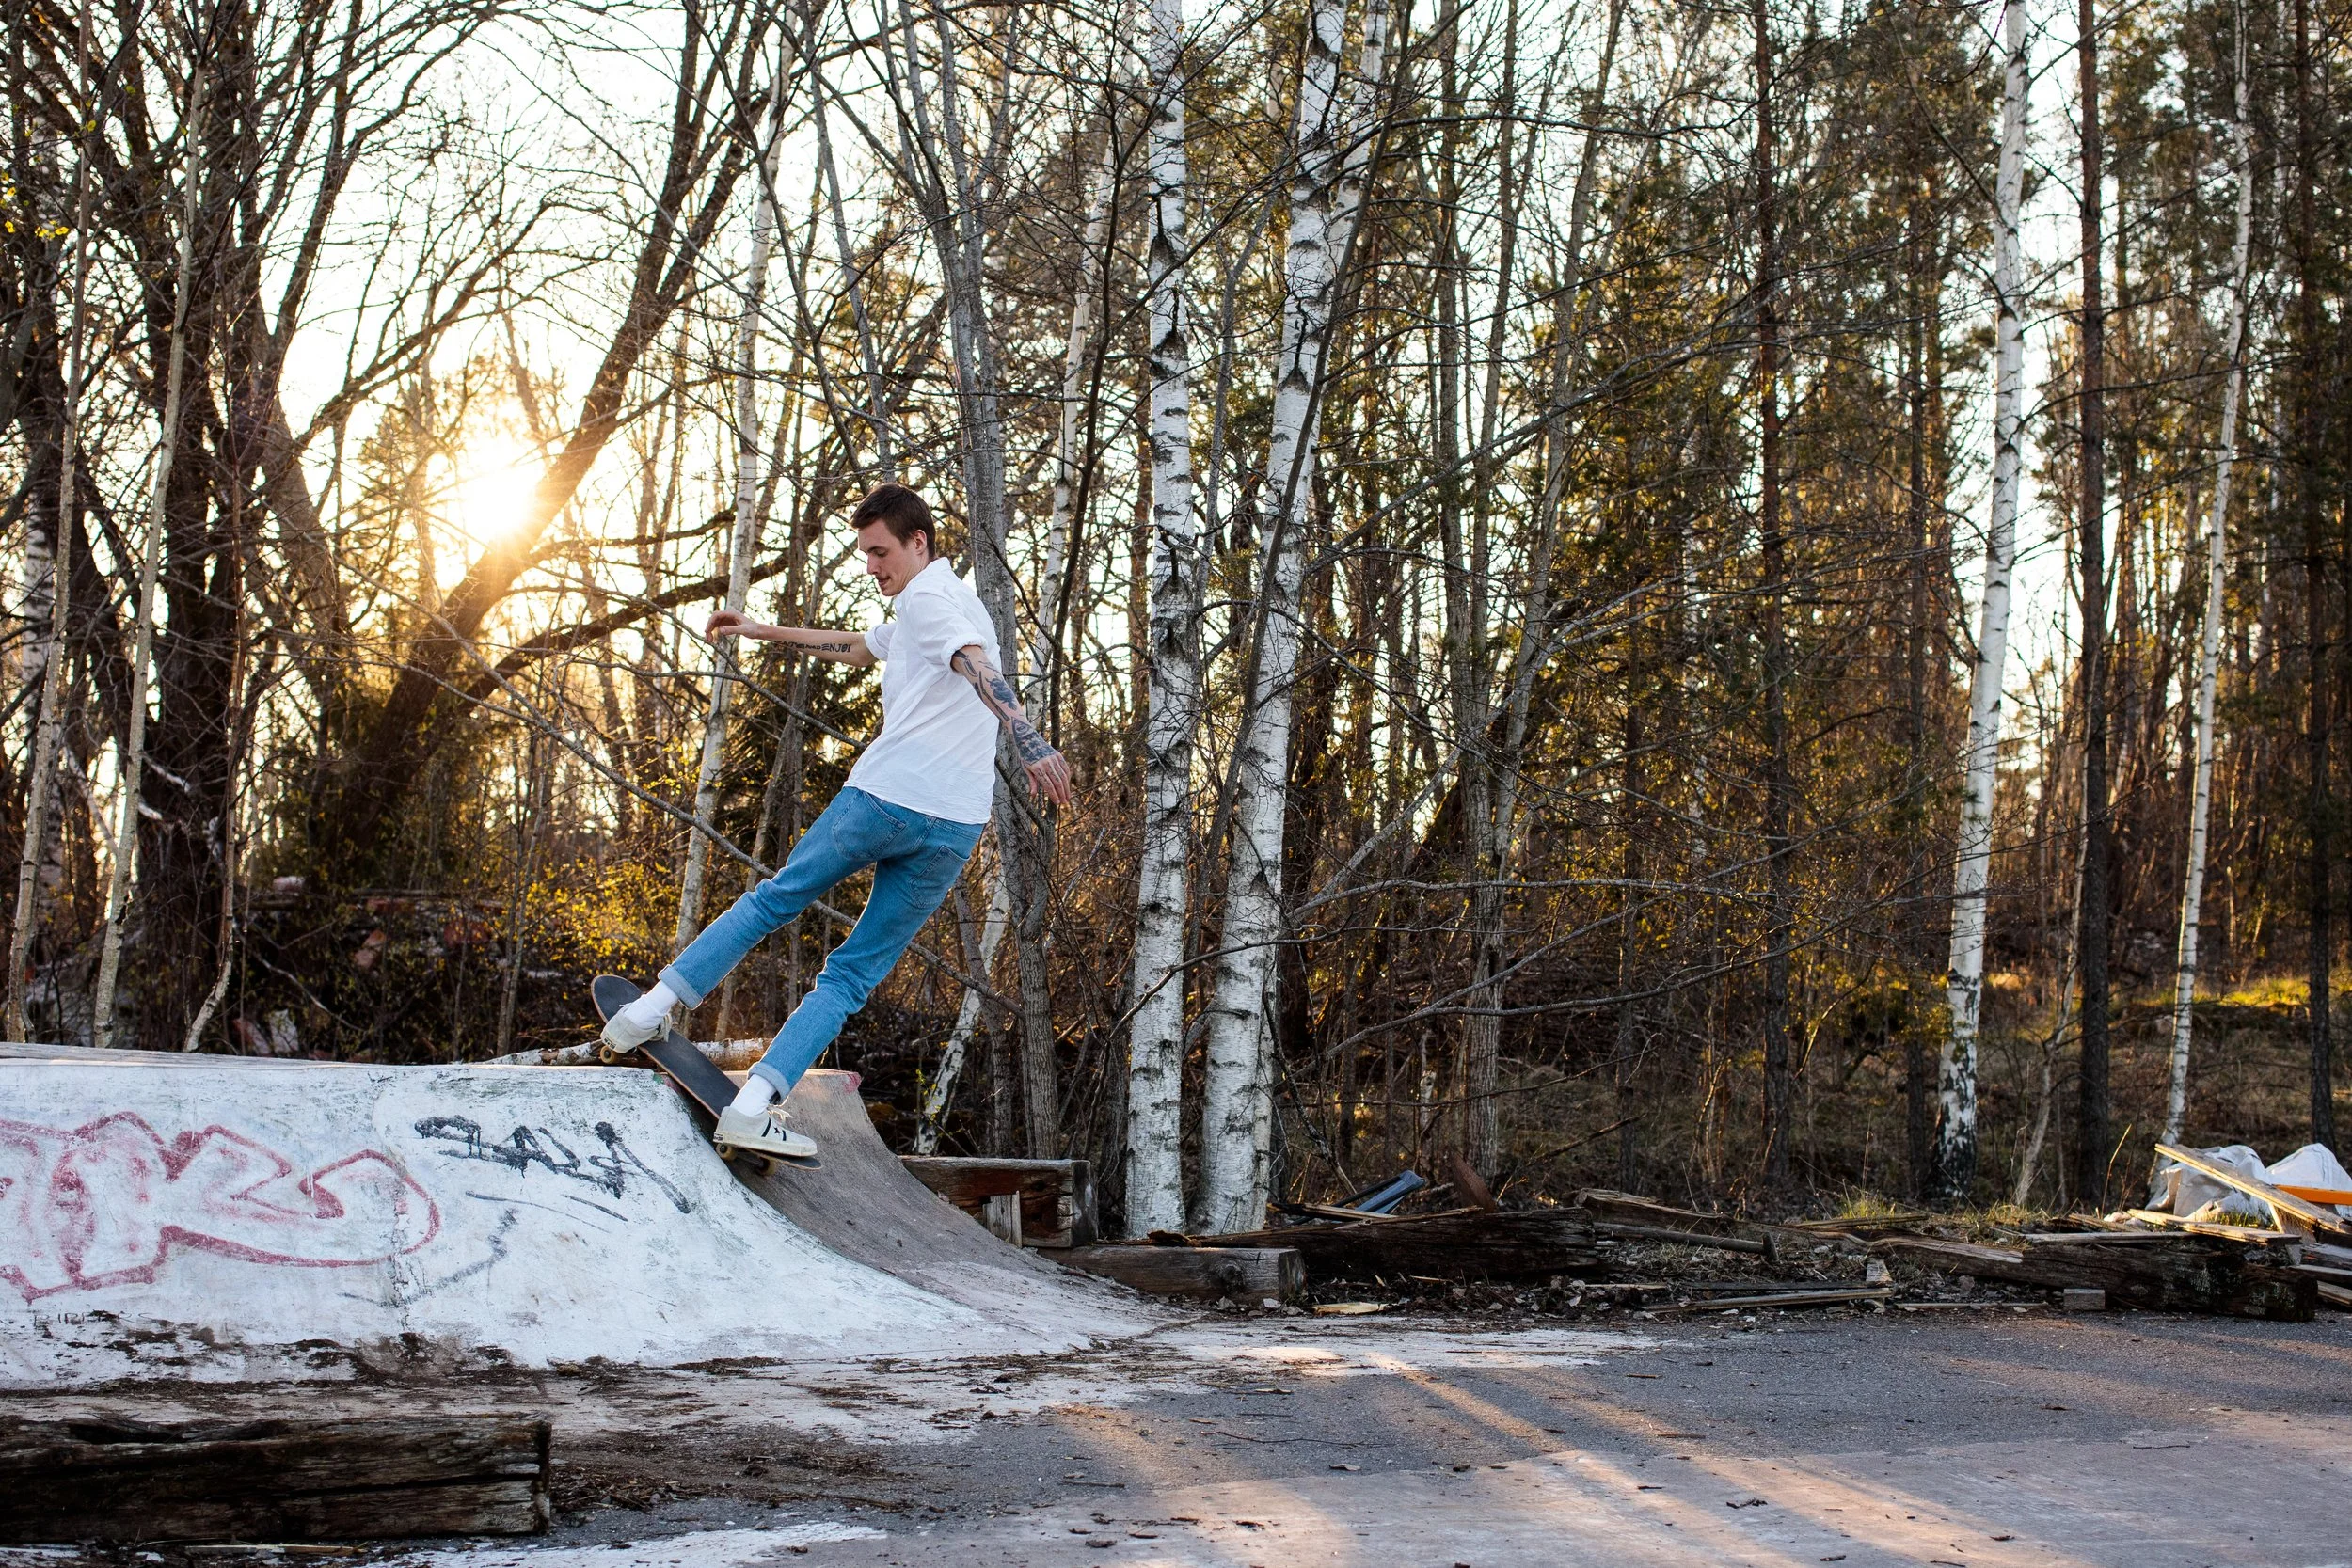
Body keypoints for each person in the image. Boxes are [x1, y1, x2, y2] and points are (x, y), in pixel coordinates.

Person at [599, 483, 1072, 1159]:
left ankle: (646, 1012)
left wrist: (1027, 734)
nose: (873, 566)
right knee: (849, 977)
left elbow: (975, 665)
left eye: (881, 552)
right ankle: (753, 1106)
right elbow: (857, 646)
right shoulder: (927, 604)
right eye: (865, 555)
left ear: (919, 542)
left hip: (884, 798)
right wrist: (761, 629)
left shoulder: (934, 602)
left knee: (775, 900)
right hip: (952, 826)